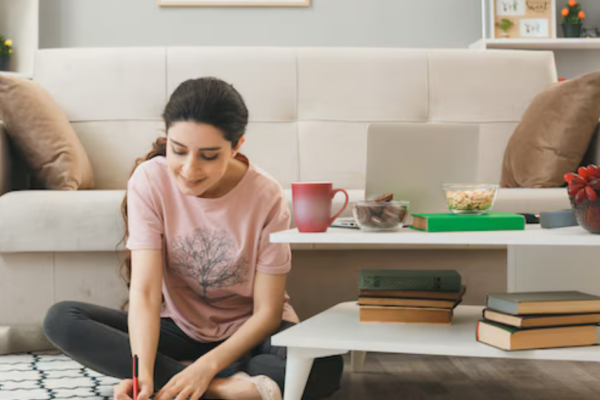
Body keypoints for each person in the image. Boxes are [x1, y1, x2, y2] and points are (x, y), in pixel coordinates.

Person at [43, 77, 344, 400]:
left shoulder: (265, 194)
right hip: (180, 328)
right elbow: (145, 294)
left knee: (326, 364)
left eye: (209, 155)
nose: (189, 169)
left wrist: (206, 366)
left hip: (250, 333)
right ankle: (229, 388)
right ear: (167, 138)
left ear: (236, 146)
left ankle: (188, 378)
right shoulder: (150, 180)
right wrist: (142, 373)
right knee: (61, 319)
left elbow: (268, 314)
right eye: (179, 150)